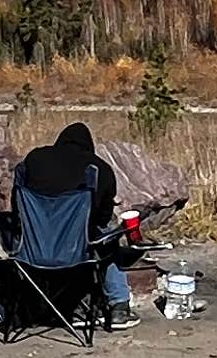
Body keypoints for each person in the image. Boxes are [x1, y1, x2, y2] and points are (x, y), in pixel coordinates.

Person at [13, 120, 132, 321]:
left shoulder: (35, 159)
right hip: (75, 253)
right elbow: (103, 217)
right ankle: (118, 305)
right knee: (108, 238)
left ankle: (33, 304)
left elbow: (17, 204)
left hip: (31, 251)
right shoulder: (99, 168)